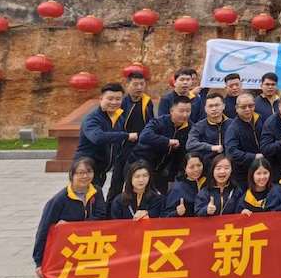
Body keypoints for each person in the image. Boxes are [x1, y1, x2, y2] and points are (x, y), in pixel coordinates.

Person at [33, 157, 107, 275]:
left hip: (89, 245)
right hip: (67, 248)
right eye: (80, 173)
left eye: (89, 172)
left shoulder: (96, 191)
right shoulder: (59, 200)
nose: (85, 176)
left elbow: (101, 216)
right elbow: (43, 230)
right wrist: (39, 262)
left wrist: (72, 227)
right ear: (72, 175)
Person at [75, 83, 135, 189]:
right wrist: (126, 136)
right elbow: (97, 137)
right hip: (85, 169)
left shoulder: (119, 118)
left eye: (118, 99)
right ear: (101, 99)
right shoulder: (92, 119)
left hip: (101, 171)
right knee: (82, 198)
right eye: (110, 99)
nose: (114, 102)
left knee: (95, 197)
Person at [107, 72, 153, 202]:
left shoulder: (147, 102)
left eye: (142, 84)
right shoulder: (121, 102)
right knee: (116, 181)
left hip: (140, 148)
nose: (139, 87)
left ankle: (133, 206)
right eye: (135, 84)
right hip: (122, 146)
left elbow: (151, 124)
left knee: (136, 181)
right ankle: (111, 208)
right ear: (127, 85)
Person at [131, 95, 193, 192]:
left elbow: (182, 155)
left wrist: (173, 177)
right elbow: (144, 136)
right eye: (181, 111)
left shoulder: (191, 128)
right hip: (140, 163)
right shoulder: (159, 122)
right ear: (171, 110)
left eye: (188, 111)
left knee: (161, 196)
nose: (185, 115)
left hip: (162, 170)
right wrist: (167, 141)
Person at [224, 92, 265, 186]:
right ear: (236, 108)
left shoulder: (260, 119)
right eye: (243, 107)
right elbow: (231, 152)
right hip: (243, 174)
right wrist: (253, 157)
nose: (247, 109)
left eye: (250, 106)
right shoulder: (233, 129)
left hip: (261, 168)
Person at [186, 91, 229, 168]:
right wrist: (211, 147)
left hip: (229, 165)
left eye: (217, 105)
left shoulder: (232, 124)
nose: (214, 109)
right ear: (205, 109)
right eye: (210, 106)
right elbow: (190, 144)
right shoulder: (199, 126)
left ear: (223, 106)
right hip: (207, 166)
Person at [163, 153, 205, 217]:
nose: (196, 169)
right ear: (185, 168)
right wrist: (176, 213)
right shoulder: (177, 189)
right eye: (191, 167)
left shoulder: (207, 182)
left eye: (199, 165)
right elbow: (165, 215)